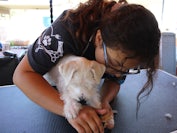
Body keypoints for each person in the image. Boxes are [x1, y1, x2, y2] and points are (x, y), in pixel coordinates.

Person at [13, 0, 160, 132]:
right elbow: (22, 75)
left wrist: (102, 101)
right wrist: (69, 109)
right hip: (49, 88)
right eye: (114, 64)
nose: (117, 74)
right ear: (98, 38)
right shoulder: (64, 32)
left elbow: (114, 80)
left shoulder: (123, 48)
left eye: (127, 69)